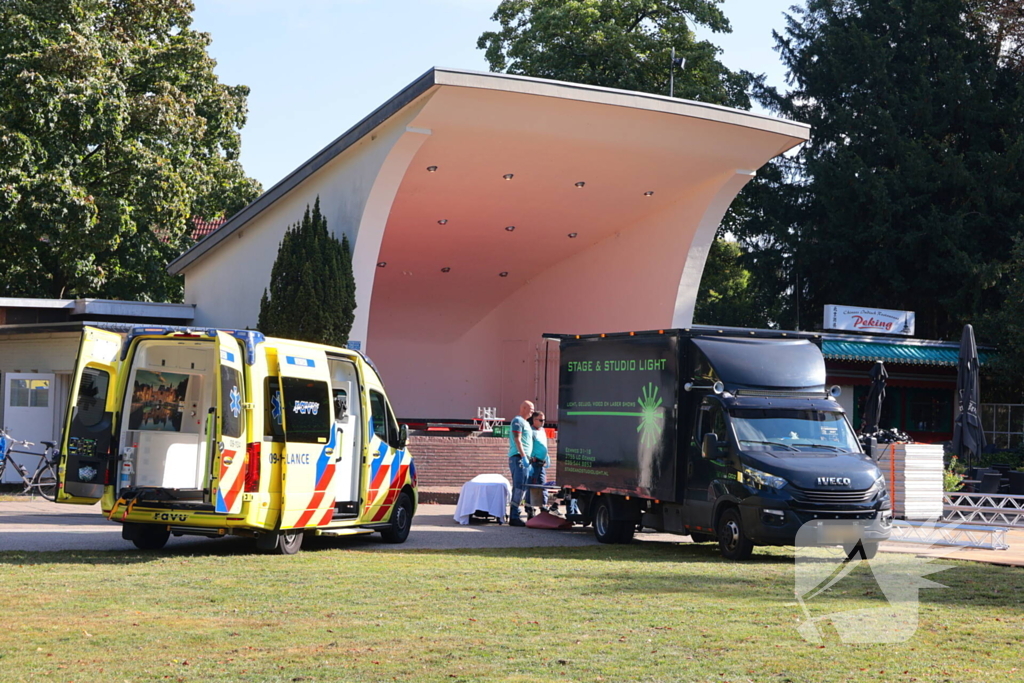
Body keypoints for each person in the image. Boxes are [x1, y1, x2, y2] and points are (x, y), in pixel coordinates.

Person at [507, 400, 534, 526]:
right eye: (531, 408)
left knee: (522, 487)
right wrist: (523, 457)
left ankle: (516, 514)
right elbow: (517, 440)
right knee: (519, 487)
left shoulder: (526, 423)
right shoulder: (517, 421)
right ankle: (514, 516)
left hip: (523, 458)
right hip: (518, 458)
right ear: (523, 408)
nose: (533, 411)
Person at [527, 411, 556, 515]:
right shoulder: (530, 431)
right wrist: (531, 457)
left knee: (543, 485)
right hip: (534, 463)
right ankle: (529, 507)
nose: (543, 422)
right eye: (541, 420)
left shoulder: (542, 430)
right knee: (532, 485)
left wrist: (546, 456)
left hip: (542, 463)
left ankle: (543, 507)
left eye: (544, 420)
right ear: (534, 420)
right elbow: (527, 445)